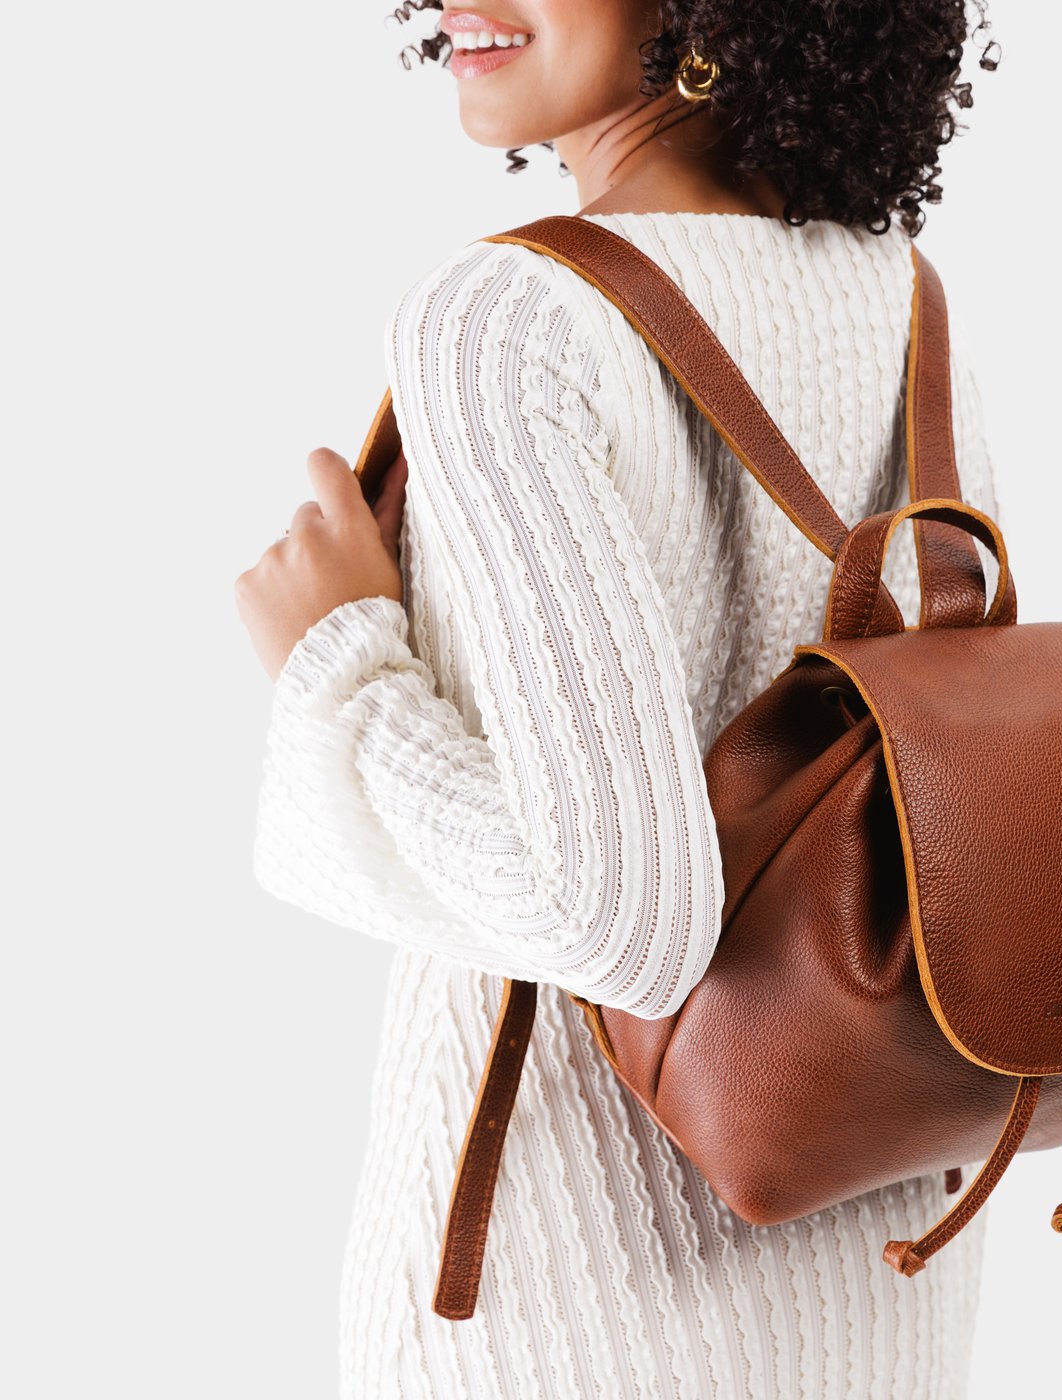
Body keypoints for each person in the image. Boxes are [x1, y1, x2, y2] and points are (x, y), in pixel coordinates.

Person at [234, 2, 1003, 1395]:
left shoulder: (509, 318)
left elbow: (626, 923)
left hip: (572, 1330)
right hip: (879, 1293)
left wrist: (339, 662)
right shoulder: (897, 293)